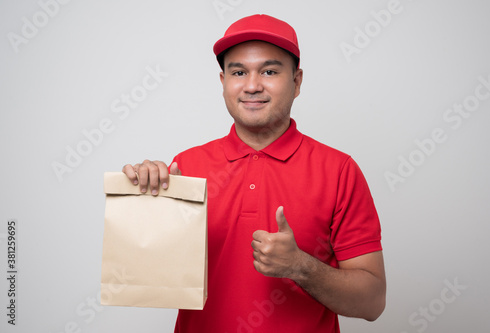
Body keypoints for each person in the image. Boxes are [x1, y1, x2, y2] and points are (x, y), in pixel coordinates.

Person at [122, 14, 385, 333]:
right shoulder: (185, 167)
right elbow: (150, 278)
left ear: (297, 81)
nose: (252, 85)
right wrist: (142, 204)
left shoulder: (340, 170)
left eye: (270, 71)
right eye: (238, 72)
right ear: (223, 83)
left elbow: (372, 303)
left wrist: (300, 266)